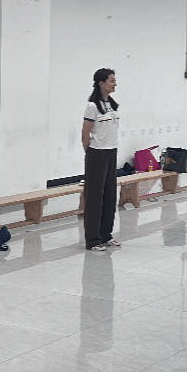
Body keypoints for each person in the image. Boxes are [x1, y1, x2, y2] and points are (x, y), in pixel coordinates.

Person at [82, 68, 121, 252]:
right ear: (101, 83)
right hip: (97, 153)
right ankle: (93, 240)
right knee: (95, 198)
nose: (114, 84)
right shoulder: (92, 106)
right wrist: (89, 152)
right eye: (111, 81)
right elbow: (85, 133)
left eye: (114, 80)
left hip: (111, 151)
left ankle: (106, 235)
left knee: (109, 195)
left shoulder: (111, 105)